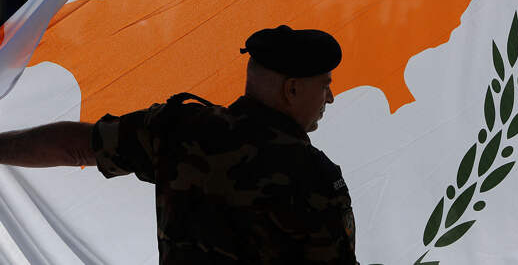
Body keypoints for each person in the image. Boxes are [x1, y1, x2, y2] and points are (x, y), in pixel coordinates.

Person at [0, 25, 359, 264]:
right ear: (292, 89)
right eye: (325, 85)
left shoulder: (179, 129)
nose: (329, 97)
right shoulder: (311, 175)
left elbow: (74, 146)